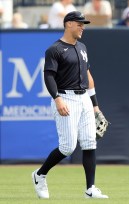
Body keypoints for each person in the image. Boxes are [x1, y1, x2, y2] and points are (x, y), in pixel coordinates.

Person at [31, 11, 108, 199]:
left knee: (90, 142)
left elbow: (88, 77)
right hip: (66, 97)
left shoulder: (82, 47)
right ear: (68, 24)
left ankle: (90, 189)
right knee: (67, 147)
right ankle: (39, 174)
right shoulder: (55, 49)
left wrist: (95, 106)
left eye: (84, 24)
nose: (83, 27)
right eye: (80, 23)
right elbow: (48, 76)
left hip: (84, 100)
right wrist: (57, 98)